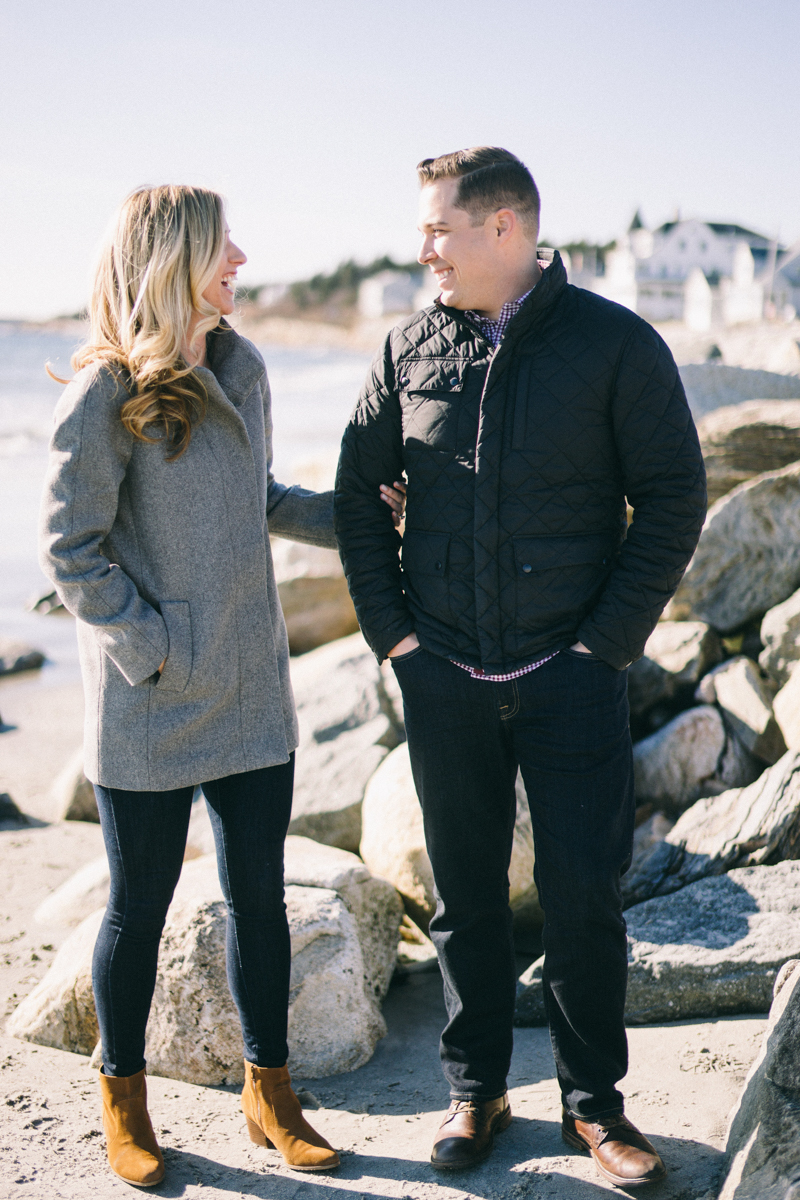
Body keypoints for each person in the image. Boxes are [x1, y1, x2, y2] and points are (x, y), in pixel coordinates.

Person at [334, 147, 706, 1189]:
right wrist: (396, 643)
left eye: (437, 231)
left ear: (505, 229)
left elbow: (673, 497)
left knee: (583, 894)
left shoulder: (614, 346)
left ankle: (594, 1108)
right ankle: (476, 1088)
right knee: (462, 898)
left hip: (570, 675)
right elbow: (358, 498)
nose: (422, 252)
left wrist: (602, 647)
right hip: (445, 674)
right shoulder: (406, 349)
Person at [39, 184, 405, 1188]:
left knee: (260, 901)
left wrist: (360, 518)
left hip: (251, 689)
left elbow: (261, 497)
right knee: (136, 910)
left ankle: (269, 1093)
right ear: (174, 261)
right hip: (150, 699)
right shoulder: (101, 394)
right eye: (221, 245)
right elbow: (67, 549)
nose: (240, 255)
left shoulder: (242, 368)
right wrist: (150, 645)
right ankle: (123, 1101)